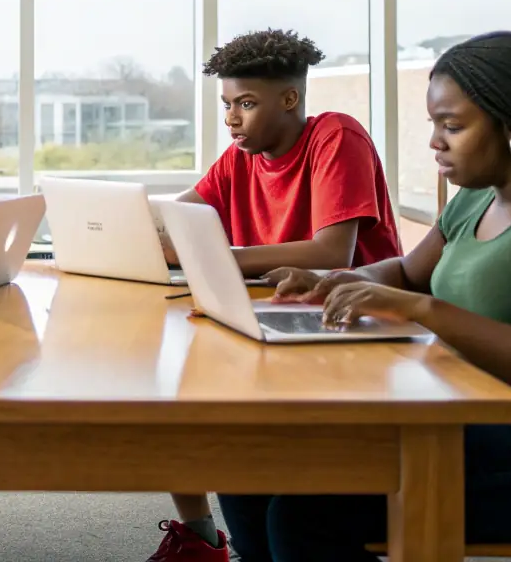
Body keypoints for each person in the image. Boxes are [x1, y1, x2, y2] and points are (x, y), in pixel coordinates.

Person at [217, 30, 511, 562]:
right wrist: (335, 280)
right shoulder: (476, 197)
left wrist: (427, 311)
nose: (435, 141)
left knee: (303, 515)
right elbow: (407, 273)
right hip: (450, 408)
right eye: (434, 124)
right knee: (251, 460)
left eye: (451, 126)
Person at [149, 29, 403, 562]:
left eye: (245, 103)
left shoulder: (336, 136)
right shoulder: (240, 158)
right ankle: (223, 541)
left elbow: (332, 252)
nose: (232, 119)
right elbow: (174, 216)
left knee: (239, 436)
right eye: (226, 104)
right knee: (195, 400)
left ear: (290, 99)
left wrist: (214, 255)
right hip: (273, 321)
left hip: (353, 330)